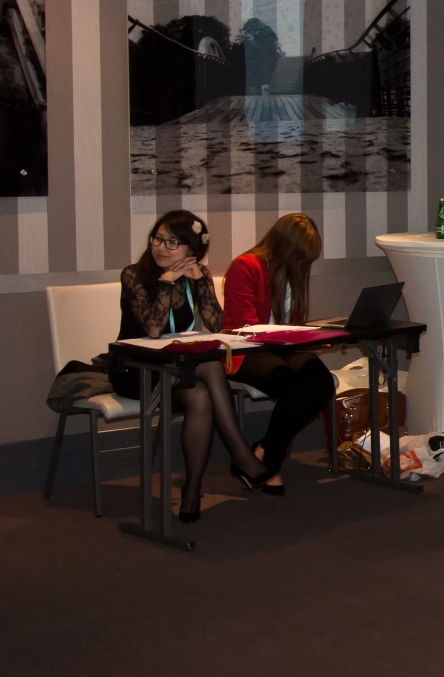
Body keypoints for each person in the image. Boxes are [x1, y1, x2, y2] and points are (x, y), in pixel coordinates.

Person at [113, 212, 272, 523]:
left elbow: (216, 325)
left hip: (177, 369)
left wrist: (200, 283)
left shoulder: (197, 275)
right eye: (158, 239)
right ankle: (241, 455)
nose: (161, 247)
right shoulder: (134, 274)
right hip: (137, 370)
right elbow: (154, 330)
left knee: (201, 397)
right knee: (210, 363)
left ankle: (192, 489)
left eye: (173, 243)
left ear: (192, 251)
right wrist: (166, 284)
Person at [222, 213, 338, 494]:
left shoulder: (293, 272)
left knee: (322, 385)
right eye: (298, 256)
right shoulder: (245, 266)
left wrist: (309, 339)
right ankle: (271, 465)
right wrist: (292, 338)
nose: (300, 264)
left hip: (283, 348)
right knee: (294, 391)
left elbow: (293, 323)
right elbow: (244, 328)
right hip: (245, 351)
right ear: (282, 245)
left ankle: (262, 453)